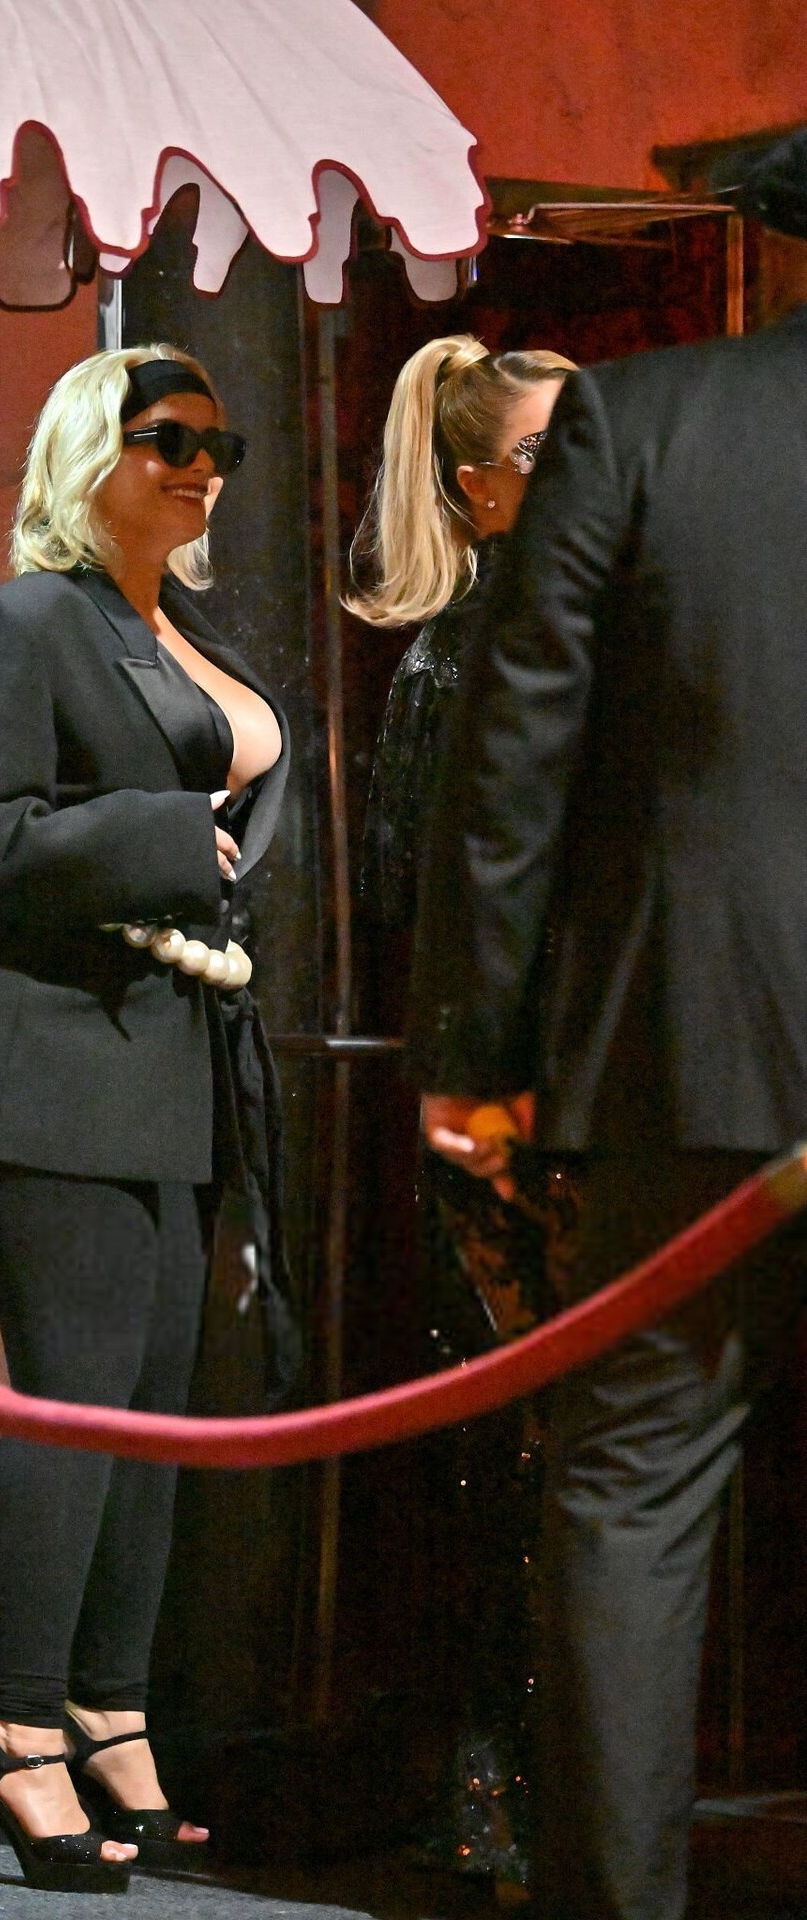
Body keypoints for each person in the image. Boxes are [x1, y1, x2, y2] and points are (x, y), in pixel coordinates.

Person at [406, 129, 807, 1920]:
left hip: (698, 1046)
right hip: (697, 1053)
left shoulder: (639, 421)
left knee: (634, 1495)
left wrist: (474, 1060)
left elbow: (515, 768)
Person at [0, 344, 289, 1894]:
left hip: (165, 1057)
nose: (202, 470)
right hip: (37, 1050)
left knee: (153, 1405)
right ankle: (14, 1728)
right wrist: (166, 835)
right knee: (77, 1395)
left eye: (220, 447)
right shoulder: (24, 623)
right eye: (169, 439)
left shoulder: (178, 631)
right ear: (87, 449)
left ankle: (110, 1713)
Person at [351, 335, 577, 1884]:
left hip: (555, 1094)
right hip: (498, 1108)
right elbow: (408, 896)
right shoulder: (467, 652)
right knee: (513, 1451)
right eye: (546, 456)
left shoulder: (566, 628)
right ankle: (494, 1790)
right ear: (478, 486)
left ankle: (529, 1788)